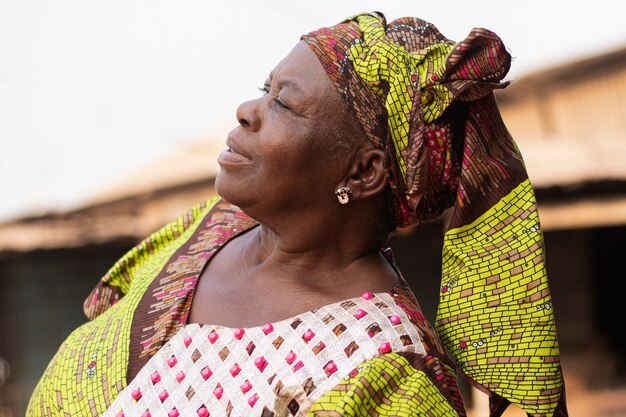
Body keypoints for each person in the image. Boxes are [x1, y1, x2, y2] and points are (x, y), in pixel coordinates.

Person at [26, 12, 568, 417]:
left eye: (284, 103)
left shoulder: (384, 373)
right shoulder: (209, 228)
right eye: (266, 89)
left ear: (363, 173)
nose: (247, 109)